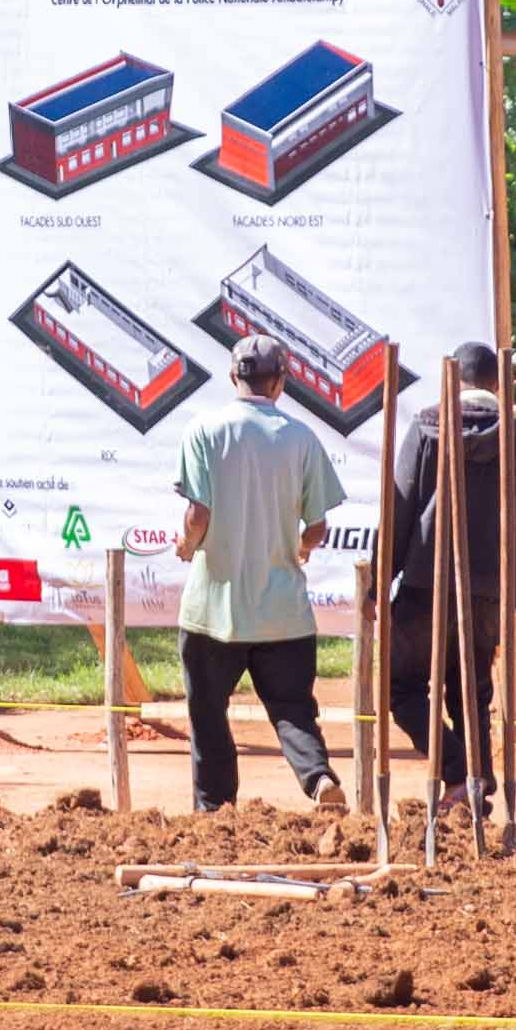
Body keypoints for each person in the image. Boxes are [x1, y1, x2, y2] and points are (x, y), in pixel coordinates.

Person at [167, 334, 344, 811]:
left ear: (232, 378)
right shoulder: (301, 438)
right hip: (283, 612)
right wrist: (299, 547)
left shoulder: (204, 431)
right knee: (292, 710)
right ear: (280, 382)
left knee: (207, 715)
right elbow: (318, 526)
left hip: (213, 611)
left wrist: (187, 546)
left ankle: (216, 810)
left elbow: (197, 514)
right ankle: (318, 777)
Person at [379, 342, 516, 813]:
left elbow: (401, 506)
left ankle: (461, 772)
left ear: (454, 381)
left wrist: (379, 582)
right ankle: (474, 780)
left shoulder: (429, 428)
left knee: (400, 687)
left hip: (425, 587)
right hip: (487, 594)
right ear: (497, 384)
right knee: (471, 693)